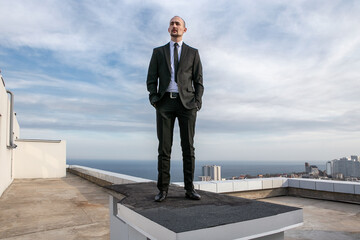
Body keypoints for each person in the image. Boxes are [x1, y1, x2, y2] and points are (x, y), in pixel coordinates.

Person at [147, 16, 204, 202]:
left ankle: (189, 189)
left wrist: (197, 102)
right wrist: (154, 99)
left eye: (177, 24)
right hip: (165, 104)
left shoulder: (193, 53)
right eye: (171, 23)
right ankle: (163, 190)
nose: (174, 26)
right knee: (164, 149)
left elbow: (199, 81)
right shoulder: (158, 52)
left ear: (184, 30)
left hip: (187, 105)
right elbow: (151, 79)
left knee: (188, 148)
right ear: (168, 29)